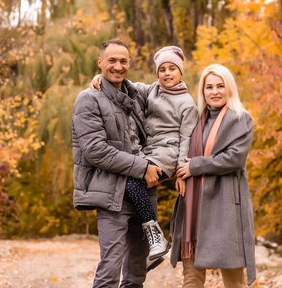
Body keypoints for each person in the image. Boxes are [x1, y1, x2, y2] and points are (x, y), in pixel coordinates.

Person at [92, 46, 199, 262]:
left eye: (172, 69)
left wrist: (180, 173)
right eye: (163, 70)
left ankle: (155, 235)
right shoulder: (153, 90)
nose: (167, 74)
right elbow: (126, 86)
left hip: (167, 154)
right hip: (148, 152)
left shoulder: (187, 103)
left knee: (132, 183)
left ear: (181, 72)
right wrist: (100, 78)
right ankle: (153, 239)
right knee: (132, 184)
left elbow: (187, 138)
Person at [72, 38, 162, 287]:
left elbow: (167, 87)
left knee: (136, 274)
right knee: (109, 271)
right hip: (113, 195)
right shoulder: (88, 100)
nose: (118, 66)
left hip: (144, 193)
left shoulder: (136, 96)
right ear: (100, 62)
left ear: (129, 63)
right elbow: (95, 151)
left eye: (123, 61)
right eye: (112, 60)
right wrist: (142, 167)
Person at [172, 64, 257, 287]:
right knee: (191, 277)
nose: (215, 91)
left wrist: (195, 167)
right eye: (209, 87)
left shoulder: (241, 119)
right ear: (203, 91)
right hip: (194, 203)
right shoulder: (194, 119)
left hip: (225, 205)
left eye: (220, 86)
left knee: (232, 278)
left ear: (229, 88)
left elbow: (234, 159)